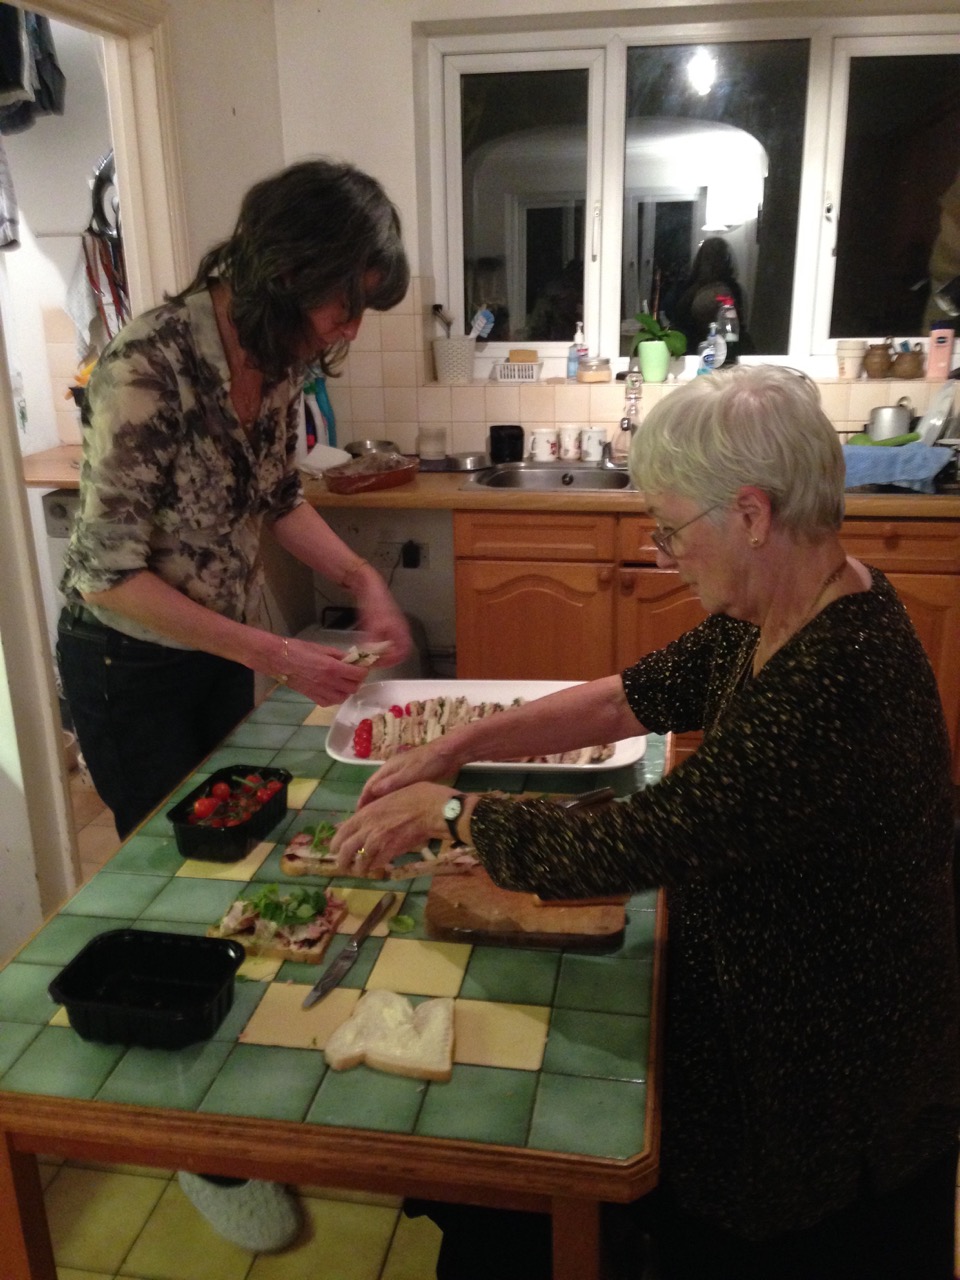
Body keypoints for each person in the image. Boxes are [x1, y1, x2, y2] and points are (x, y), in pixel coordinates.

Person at [330, 364, 960, 1280]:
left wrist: (454, 813)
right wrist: (451, 745)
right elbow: (628, 699)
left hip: (825, 1100)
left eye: (670, 528)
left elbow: (640, 840)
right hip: (774, 1020)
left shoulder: (835, 679)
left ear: (750, 514)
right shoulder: (784, 606)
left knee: (526, 1201)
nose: (664, 552)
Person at [56, 157, 413, 1255]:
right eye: (345, 298)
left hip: (211, 654)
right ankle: (197, 1142)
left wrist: (358, 578)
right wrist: (274, 647)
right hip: (127, 668)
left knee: (241, 868)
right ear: (287, 268)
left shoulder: (274, 361)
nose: (347, 327)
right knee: (168, 890)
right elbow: (111, 571)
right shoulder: (148, 368)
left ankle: (241, 1081)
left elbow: (276, 496)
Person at [671, 235, 752, 358]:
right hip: (695, 353)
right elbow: (677, 320)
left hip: (722, 352)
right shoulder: (689, 287)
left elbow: (737, 326)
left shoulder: (732, 288)